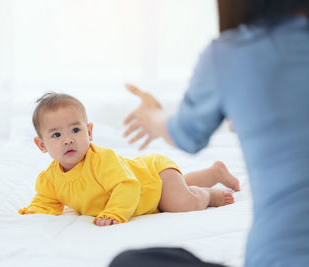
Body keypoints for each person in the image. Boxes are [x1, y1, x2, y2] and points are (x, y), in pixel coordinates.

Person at [117, 0, 309, 266]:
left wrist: (152, 116)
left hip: (280, 257)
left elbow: (187, 134)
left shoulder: (232, 53)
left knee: (129, 262)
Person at [19, 92, 239, 226]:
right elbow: (45, 200)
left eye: (75, 130)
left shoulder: (102, 160)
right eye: (56, 135)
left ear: (89, 132)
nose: (68, 140)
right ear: (41, 145)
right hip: (152, 192)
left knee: (181, 201)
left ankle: (209, 195)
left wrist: (114, 213)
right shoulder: (49, 179)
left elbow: (127, 186)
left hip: (153, 175)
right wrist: (34, 211)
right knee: (177, 188)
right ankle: (214, 173)